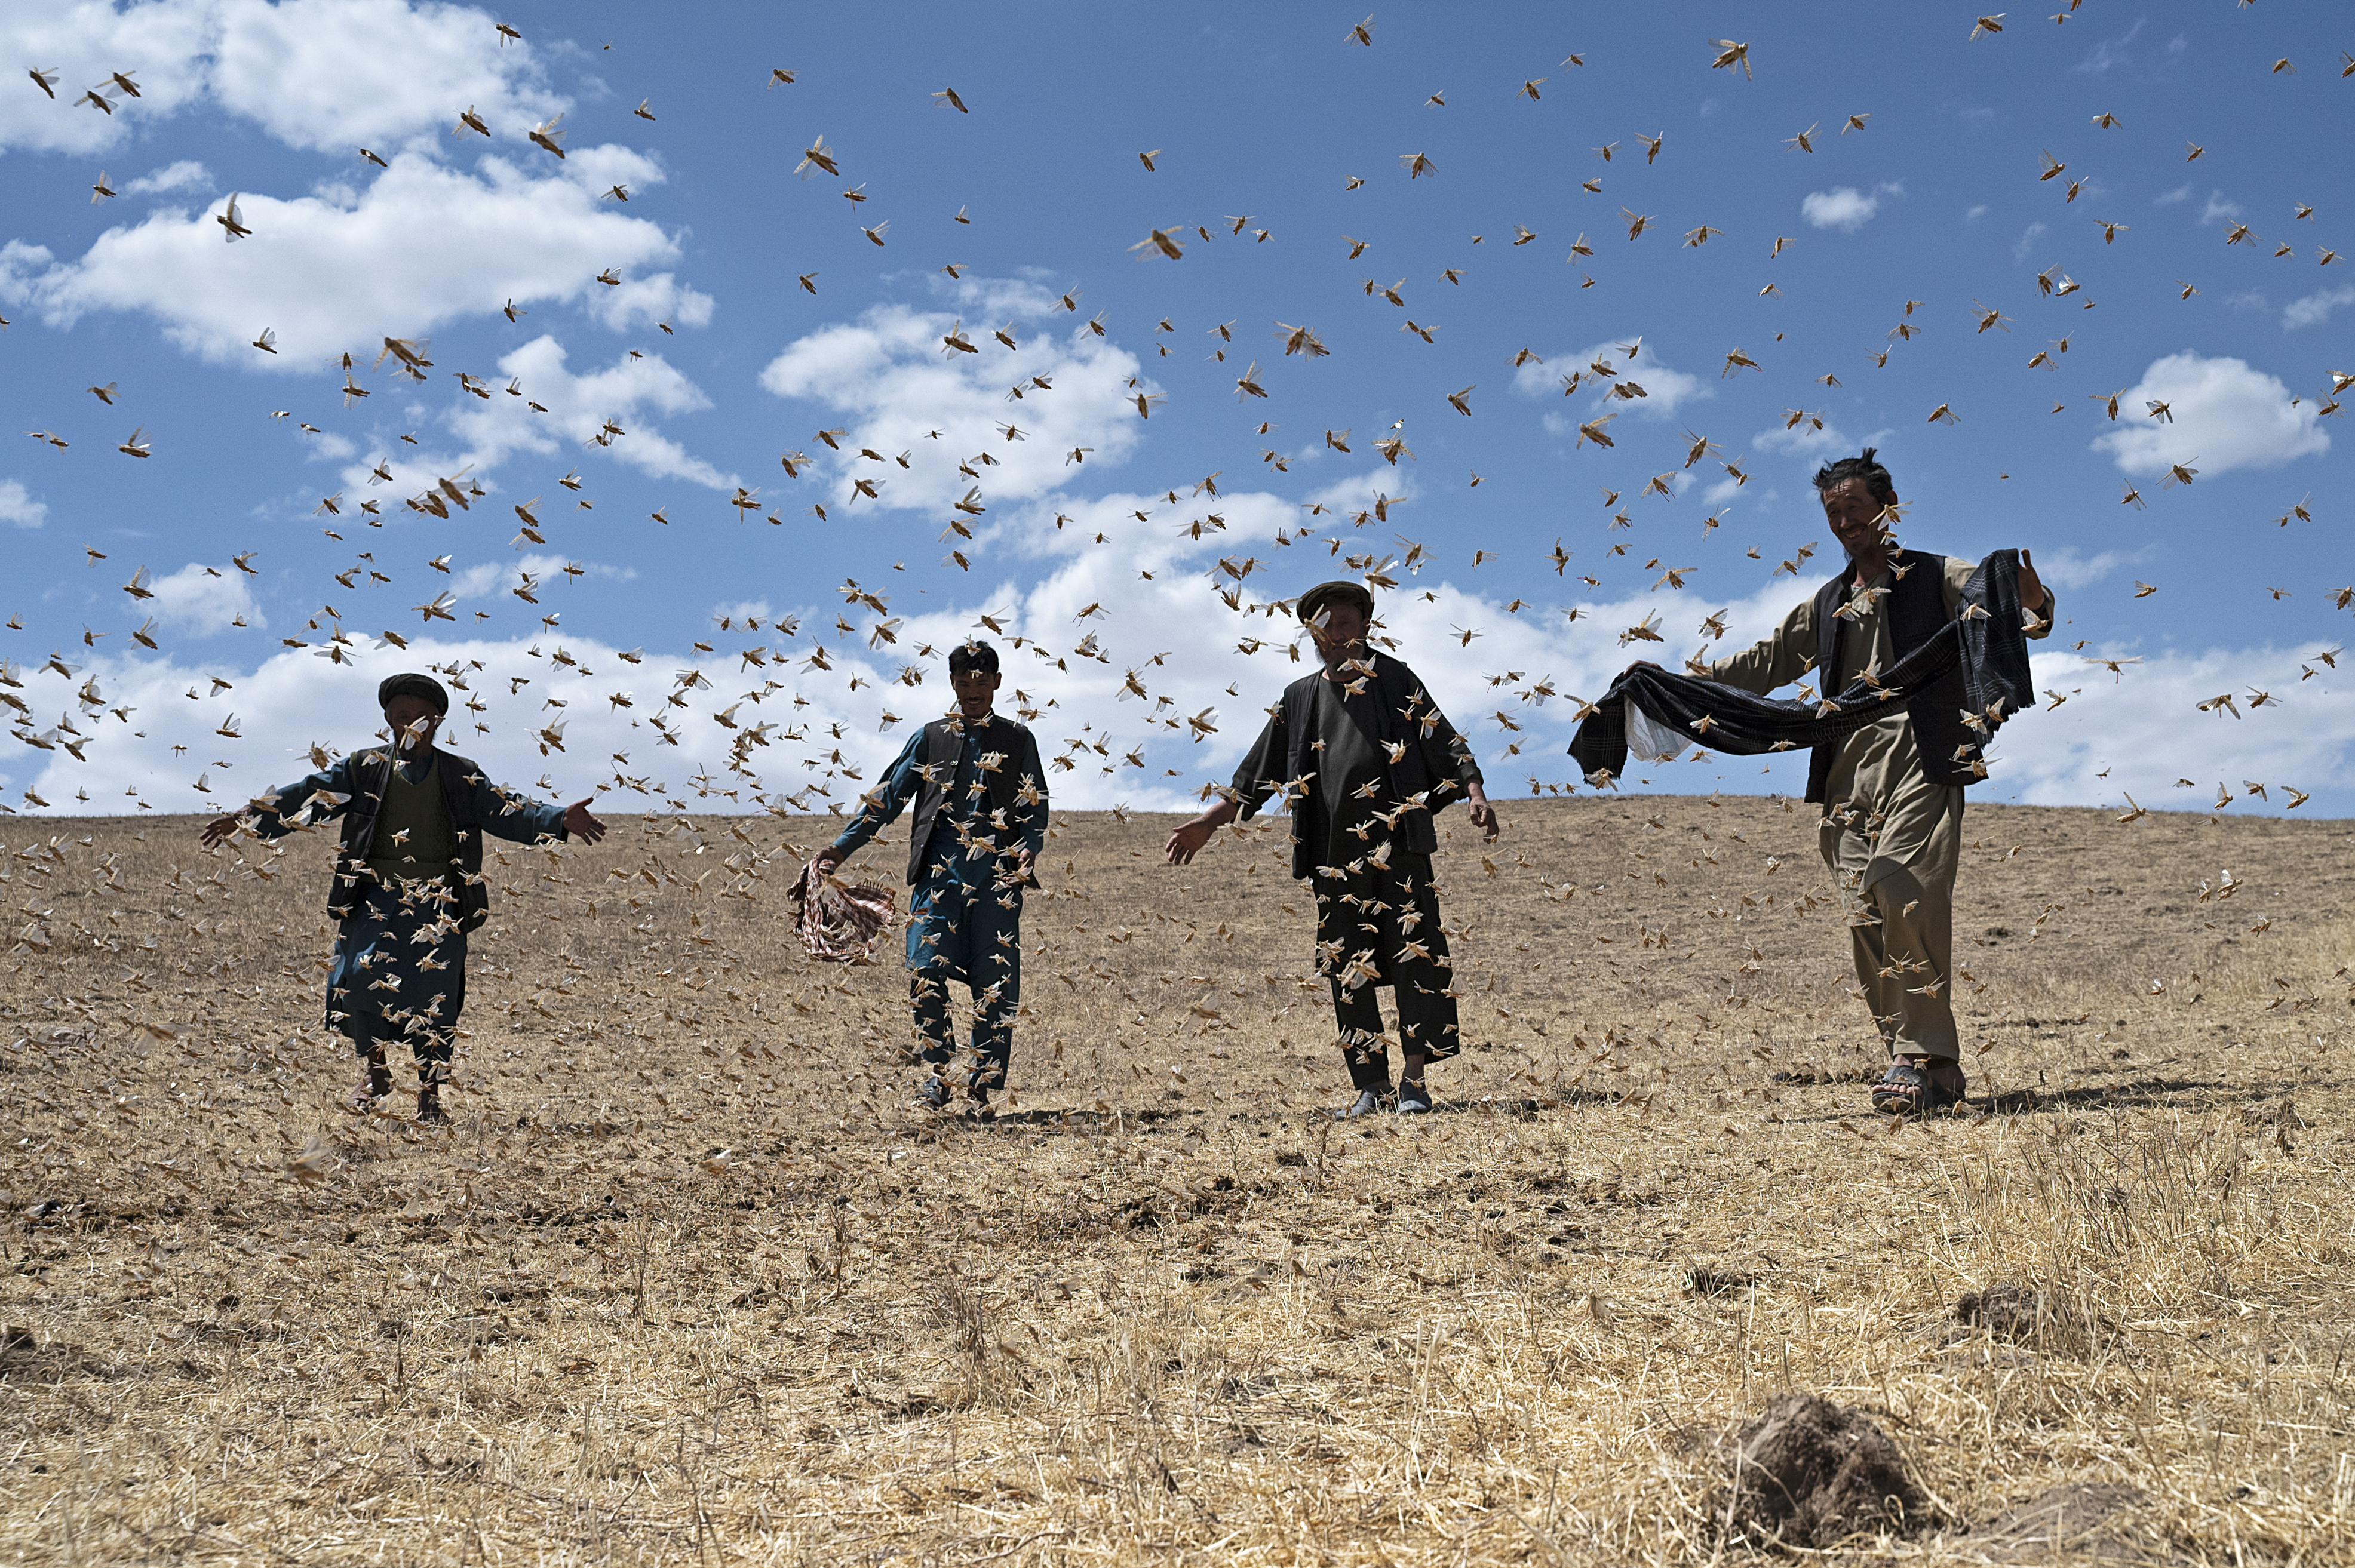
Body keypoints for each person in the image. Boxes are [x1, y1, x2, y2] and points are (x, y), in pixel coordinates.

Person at [1693, 450, 2052, 1115]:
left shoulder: (1935, 575)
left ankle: (1915, 1054)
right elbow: (1766, 661)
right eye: (1833, 512)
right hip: (1844, 776)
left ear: (1887, 505)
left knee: (1901, 885)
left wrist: (2032, 599)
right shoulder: (1827, 603)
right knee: (1864, 911)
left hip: (1922, 751)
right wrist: (1686, 685)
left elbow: (2005, 602)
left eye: (1854, 506)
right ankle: (1927, 1068)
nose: (1844, 521)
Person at [199, 672, 606, 1124]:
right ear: (388, 721)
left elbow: (505, 808)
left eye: (418, 716)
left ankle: (430, 1099)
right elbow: (309, 795)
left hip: (439, 903)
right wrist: (250, 816)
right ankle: (376, 1077)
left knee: (434, 997)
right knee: (357, 981)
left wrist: (557, 819)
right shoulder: (363, 766)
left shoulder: (461, 774)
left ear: (438, 720)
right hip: (374, 897)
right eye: (399, 716)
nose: (408, 723)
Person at [1165, 580, 1496, 1117]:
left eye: (1346, 622)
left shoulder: (1394, 678)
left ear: (1366, 626)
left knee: (1418, 960)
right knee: (1348, 968)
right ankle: (1371, 1086)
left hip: (1400, 849)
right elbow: (1257, 772)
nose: (1336, 633)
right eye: (1325, 625)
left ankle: (1413, 1082)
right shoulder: (1299, 698)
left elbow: (1444, 740)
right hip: (1333, 860)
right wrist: (1209, 820)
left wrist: (1474, 791)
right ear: (1310, 633)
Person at [812, 641, 1047, 1112]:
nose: (973, 691)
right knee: (923, 970)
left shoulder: (1019, 739)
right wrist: (840, 848)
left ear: (998, 682)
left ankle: (980, 1087)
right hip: (938, 882)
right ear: (952, 684)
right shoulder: (930, 737)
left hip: (996, 883)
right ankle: (937, 1079)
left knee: (994, 985)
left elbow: (1033, 808)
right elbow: (886, 799)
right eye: (964, 683)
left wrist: (1028, 852)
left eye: (981, 683)